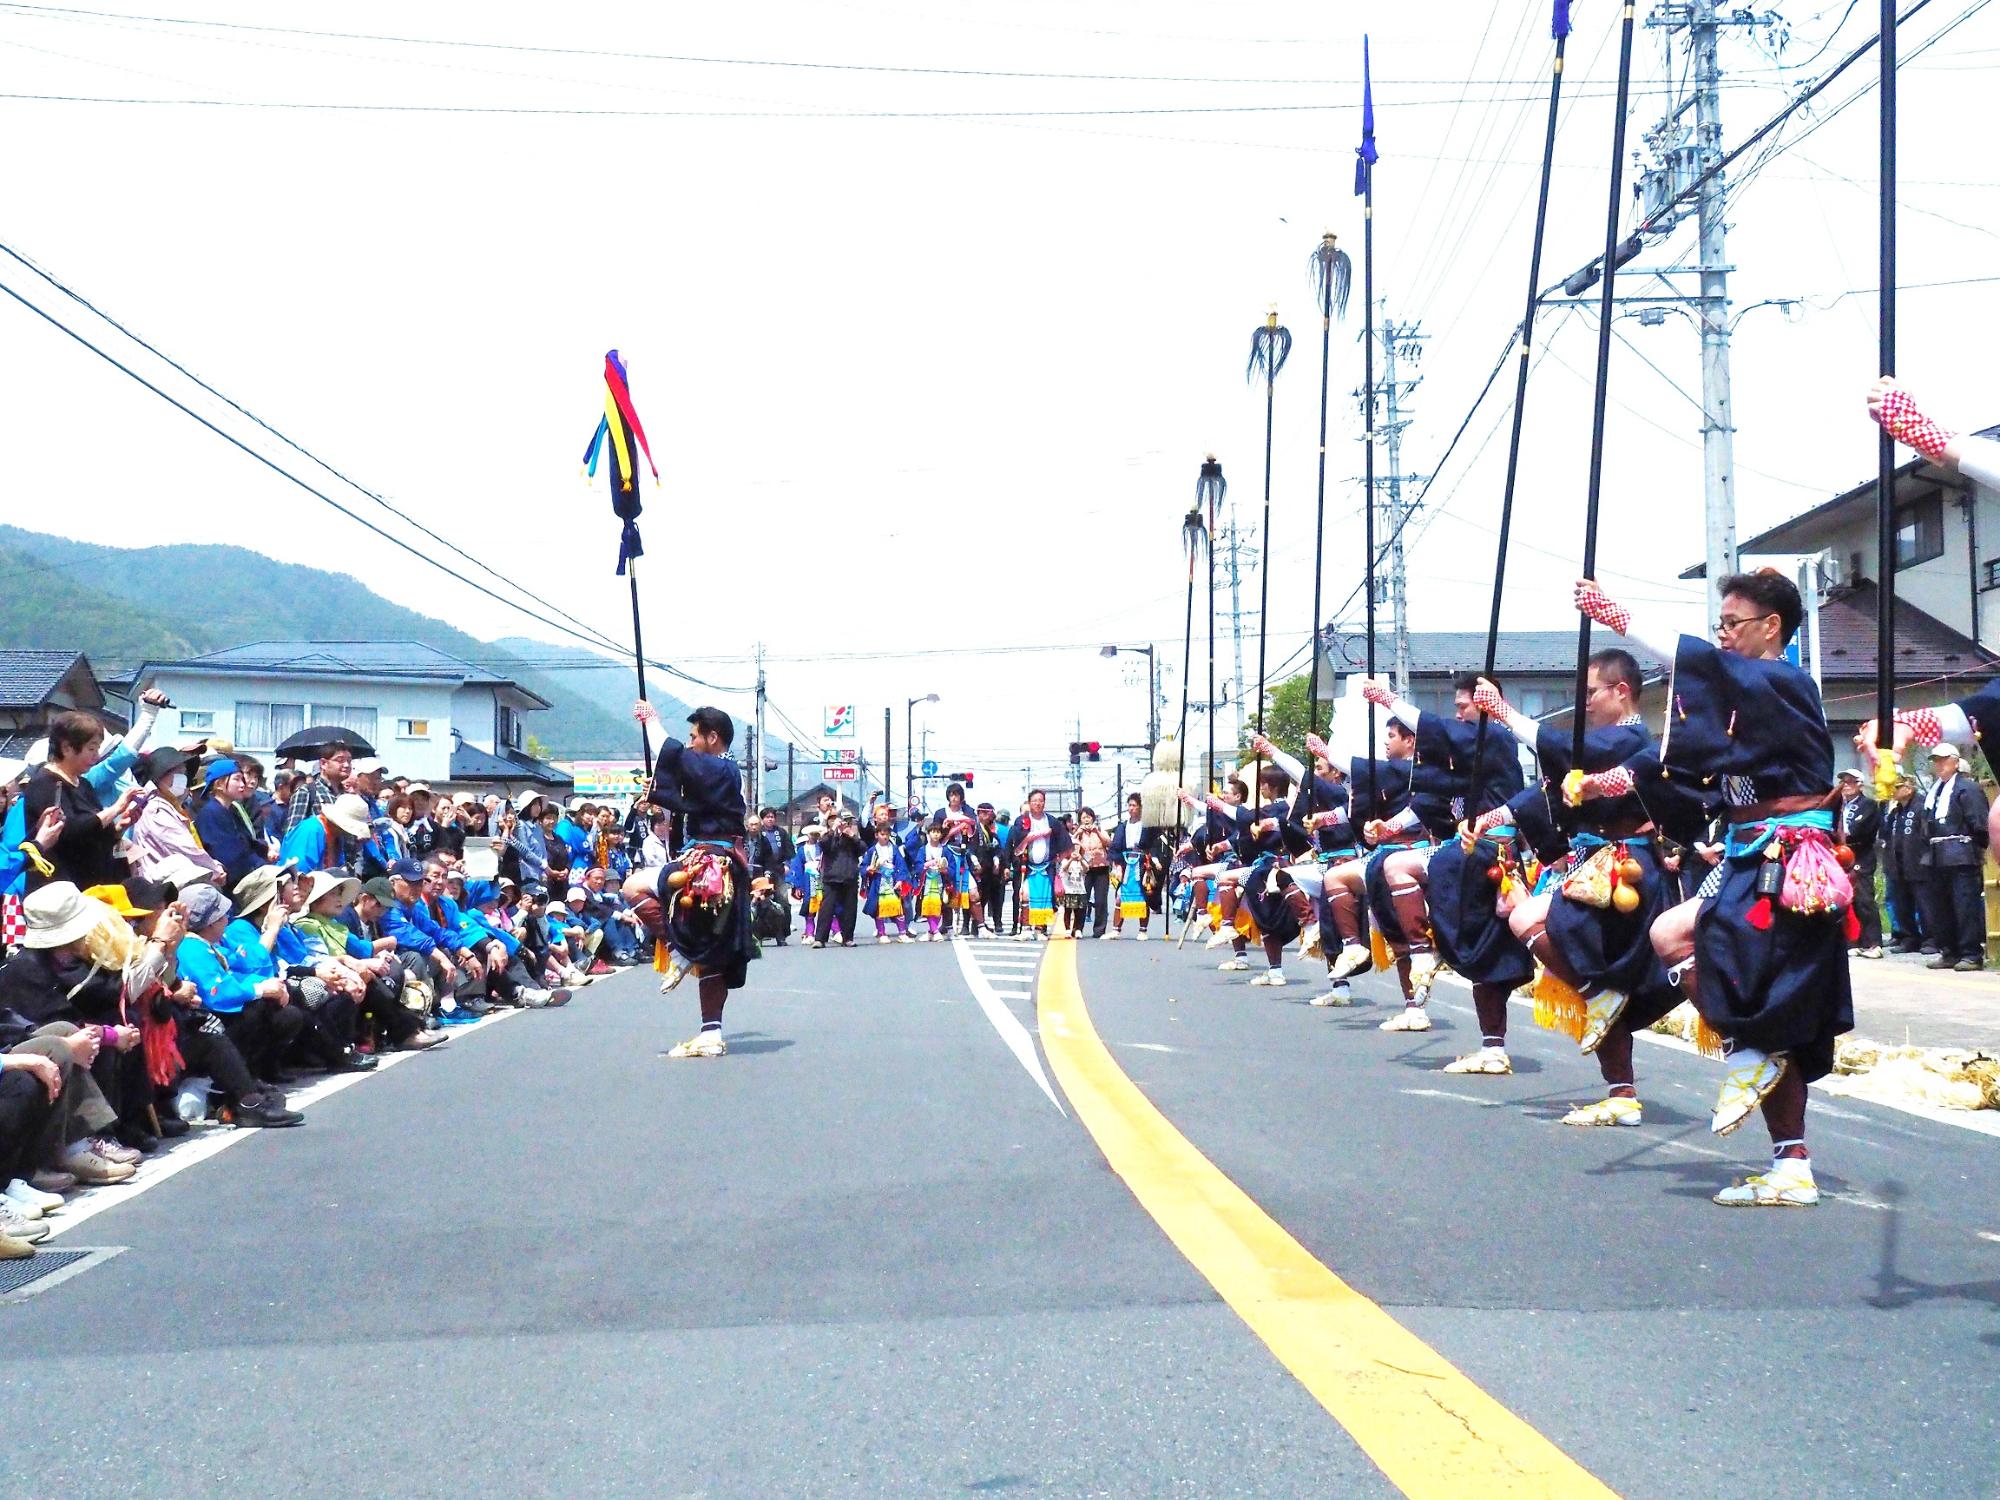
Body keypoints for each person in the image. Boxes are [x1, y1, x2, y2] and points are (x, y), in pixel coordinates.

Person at [1576, 569, 1851, 1207]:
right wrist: (1603, 786)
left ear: (1771, 626)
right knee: (1672, 934)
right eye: (1719, 625)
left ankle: (1774, 1113)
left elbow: (1696, 667)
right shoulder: (1743, 698)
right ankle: (1767, 1099)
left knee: (1766, 991)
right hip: (1744, 850)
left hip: (1789, 859)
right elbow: (1678, 766)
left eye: (1731, 623)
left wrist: (1622, 618)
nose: (1721, 636)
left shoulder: (1782, 680)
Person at [1472, 651, 1705, 1109]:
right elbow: (1543, 795)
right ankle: (1620, 1093)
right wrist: (1497, 814)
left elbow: (1570, 754)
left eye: (1591, 693)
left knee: (1533, 923)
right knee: (1598, 987)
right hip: (1590, 867)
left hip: (1626, 872)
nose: (1585, 705)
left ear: (1622, 691)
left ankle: (1604, 1001)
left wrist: (1505, 714)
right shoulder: (1598, 746)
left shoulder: (1633, 740)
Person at [631, 702, 756, 1058]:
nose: (687, 744)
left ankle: (676, 950)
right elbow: (682, 793)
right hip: (718, 861)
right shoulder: (720, 774)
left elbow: (671, 754)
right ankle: (711, 1034)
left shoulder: (720, 769)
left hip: (708, 862)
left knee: (633, 887)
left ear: (712, 737)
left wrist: (652, 721)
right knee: (713, 954)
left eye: (693, 736)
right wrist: (656, 791)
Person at [19, 711, 144, 891]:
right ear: (67, 748)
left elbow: (92, 836)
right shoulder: (45, 784)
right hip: (60, 889)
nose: (97, 755)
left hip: (89, 885)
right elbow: (70, 831)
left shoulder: (83, 783)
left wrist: (119, 827)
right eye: (91, 748)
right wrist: (116, 808)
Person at [1916, 744, 1988, 971]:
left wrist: (1975, 850)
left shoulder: (1967, 788)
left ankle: (1970, 953)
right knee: (1941, 907)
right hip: (1937, 857)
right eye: (1936, 760)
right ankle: (1949, 951)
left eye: (1944, 760)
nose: (1939, 764)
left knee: (1964, 906)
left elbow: (1979, 824)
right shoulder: (1934, 792)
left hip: (1961, 855)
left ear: (1956, 762)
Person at [193, 757, 269, 892]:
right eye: (237, 779)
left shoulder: (231, 810)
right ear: (219, 784)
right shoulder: (210, 814)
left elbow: (247, 842)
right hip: (231, 887)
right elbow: (230, 856)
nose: (242, 785)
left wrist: (265, 851)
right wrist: (261, 867)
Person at [1834, 768, 1884, 960]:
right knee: (1847, 900)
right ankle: (1853, 940)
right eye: (1843, 782)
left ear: (1860, 784)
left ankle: (1873, 942)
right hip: (1840, 855)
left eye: (1850, 781)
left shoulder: (1868, 805)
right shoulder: (1839, 806)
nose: (1846, 785)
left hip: (1860, 854)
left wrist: (1844, 835)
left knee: (1864, 898)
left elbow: (1859, 829)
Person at [1008, 790, 1072, 941]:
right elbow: (1016, 842)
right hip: (1027, 865)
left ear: (1044, 802)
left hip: (1046, 865)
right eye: (1034, 800)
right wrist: (1039, 834)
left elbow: (1067, 844)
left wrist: (1057, 859)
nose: (1037, 803)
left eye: (1040, 800)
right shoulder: (1022, 821)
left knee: (1044, 897)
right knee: (1025, 895)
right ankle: (1025, 928)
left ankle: (1040, 929)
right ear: (1029, 802)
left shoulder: (1052, 821)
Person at [1879, 777, 1926, 953]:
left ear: (1908, 788)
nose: (1894, 791)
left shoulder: (1920, 805)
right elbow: (1884, 834)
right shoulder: (1896, 810)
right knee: (1901, 903)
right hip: (1897, 863)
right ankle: (1909, 937)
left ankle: (1930, 938)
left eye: (1897, 787)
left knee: (1923, 903)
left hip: (1917, 862)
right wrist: (1888, 814)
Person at [282, 746, 352, 835]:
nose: (346, 765)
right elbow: (293, 834)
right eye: (340, 760)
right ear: (323, 763)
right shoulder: (306, 792)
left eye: (349, 761)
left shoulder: (348, 796)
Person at [863, 824, 912, 944]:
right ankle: (882, 933)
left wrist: (900, 879)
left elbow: (901, 864)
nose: (885, 837)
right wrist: (868, 869)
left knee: (898, 907)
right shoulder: (872, 851)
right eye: (882, 834)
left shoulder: (894, 848)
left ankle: (902, 933)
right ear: (876, 835)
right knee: (879, 909)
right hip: (878, 882)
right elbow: (863, 866)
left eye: (887, 834)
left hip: (892, 881)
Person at [1072, 808, 1113, 938]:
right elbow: (1070, 845)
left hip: (1101, 868)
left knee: (1101, 900)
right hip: (1085, 870)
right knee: (1082, 899)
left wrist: (1097, 832)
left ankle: (1099, 930)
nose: (1086, 820)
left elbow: (1109, 843)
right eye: (1084, 818)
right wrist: (1077, 833)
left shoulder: (1100, 831)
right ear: (1080, 820)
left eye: (1089, 817)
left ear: (1093, 819)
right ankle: (1078, 928)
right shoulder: (1078, 833)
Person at [912, 823, 957, 943]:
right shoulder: (923, 849)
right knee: (927, 906)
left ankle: (932, 931)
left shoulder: (945, 850)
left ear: (941, 834)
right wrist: (927, 865)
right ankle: (935, 931)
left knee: (938, 906)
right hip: (926, 882)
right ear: (928, 834)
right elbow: (917, 866)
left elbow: (952, 868)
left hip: (940, 882)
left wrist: (945, 870)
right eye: (933, 832)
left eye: (938, 832)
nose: (936, 834)